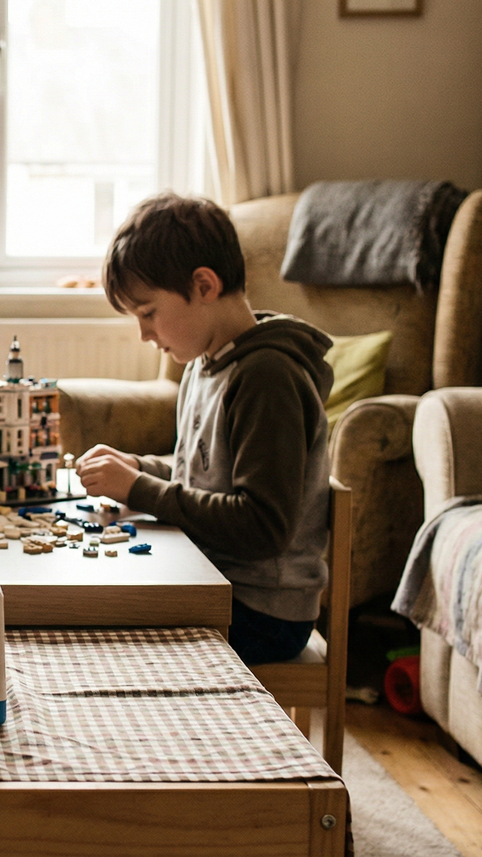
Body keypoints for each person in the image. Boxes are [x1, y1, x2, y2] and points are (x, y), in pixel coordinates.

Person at [75, 193, 334, 666]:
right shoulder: (205, 363)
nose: (144, 335)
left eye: (148, 312)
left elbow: (261, 526)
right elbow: (204, 472)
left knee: (94, 621)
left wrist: (141, 489)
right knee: (87, 592)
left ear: (204, 285)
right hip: (215, 579)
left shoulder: (267, 377)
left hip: (262, 610)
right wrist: (140, 467)